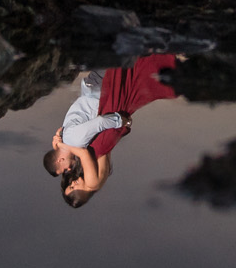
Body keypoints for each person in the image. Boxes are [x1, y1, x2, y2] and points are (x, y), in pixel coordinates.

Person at [42, 55, 183, 207]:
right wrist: (63, 146)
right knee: (129, 74)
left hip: (99, 97)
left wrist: (62, 146)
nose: (71, 177)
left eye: (69, 184)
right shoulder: (92, 182)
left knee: (134, 78)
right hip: (100, 97)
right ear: (79, 195)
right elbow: (86, 151)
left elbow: (91, 147)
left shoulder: (83, 159)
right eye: (72, 187)